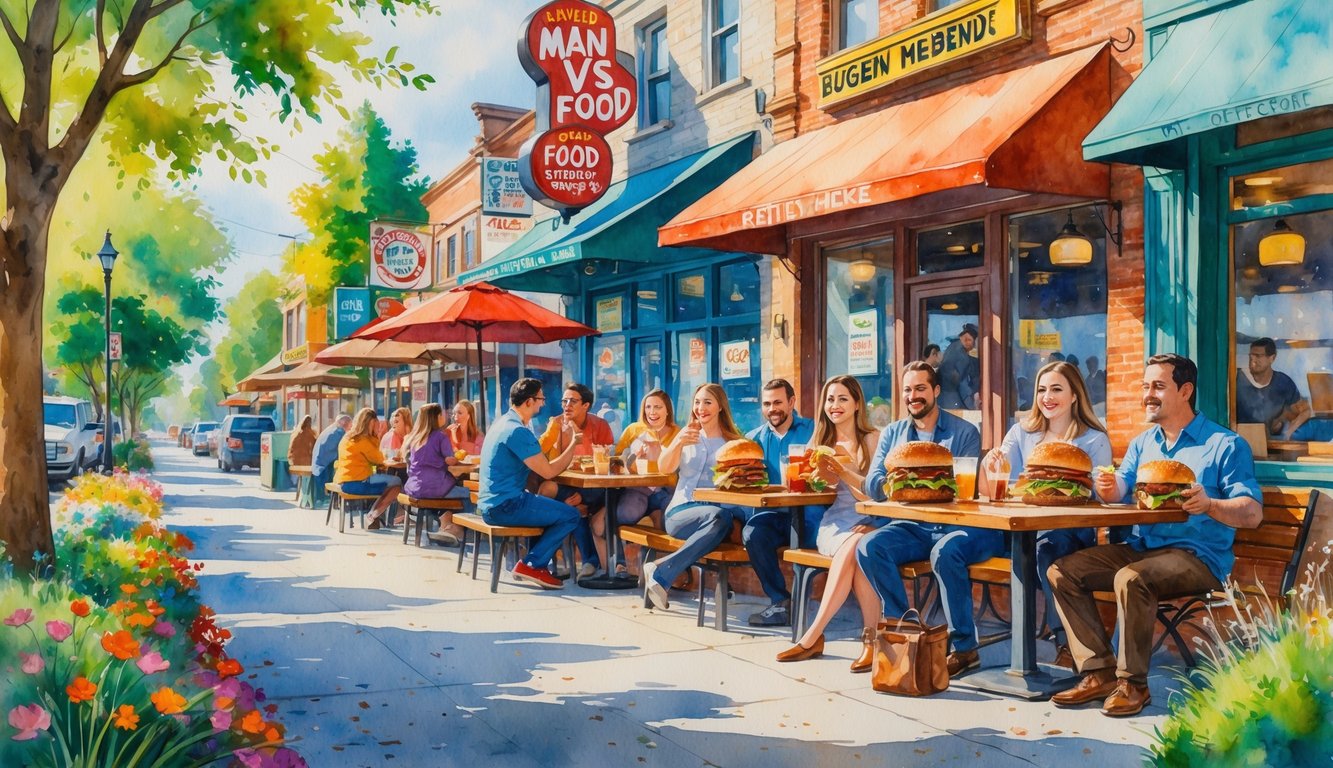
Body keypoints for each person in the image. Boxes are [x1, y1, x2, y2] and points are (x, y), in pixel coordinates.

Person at [1049, 354, 1261, 717]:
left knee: (1132, 579)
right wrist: (1108, 485)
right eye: (1145, 386)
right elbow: (1119, 491)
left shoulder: (1225, 444)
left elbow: (1253, 513)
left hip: (1199, 558)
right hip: (1142, 548)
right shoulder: (1142, 443)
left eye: (1158, 386)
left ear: (1186, 390)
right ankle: (1097, 671)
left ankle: (1133, 684)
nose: (1148, 394)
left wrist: (1209, 504)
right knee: (1062, 571)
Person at [856, 361, 993, 678]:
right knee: (869, 546)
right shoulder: (892, 434)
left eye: (920, 388)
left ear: (936, 391)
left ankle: (964, 648)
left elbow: (966, 487)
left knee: (945, 552)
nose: (912, 396)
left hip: (959, 525)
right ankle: (907, 626)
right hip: (914, 526)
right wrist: (900, 482)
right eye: (907, 390)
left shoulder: (964, 432)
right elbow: (873, 481)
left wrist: (927, 478)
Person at [979, 361, 1112, 668]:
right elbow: (992, 489)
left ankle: (1064, 642)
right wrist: (991, 464)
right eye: (1041, 390)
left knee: (1045, 553)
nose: (1047, 397)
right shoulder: (1021, 432)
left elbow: (1097, 498)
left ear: (1075, 395)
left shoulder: (1094, 439)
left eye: (1056, 389)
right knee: (1021, 551)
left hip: (1070, 533)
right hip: (1019, 531)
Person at [775, 376, 882, 671]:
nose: (835, 406)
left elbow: (875, 495)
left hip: (871, 520)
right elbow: (814, 491)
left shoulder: (872, 439)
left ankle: (813, 636)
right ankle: (870, 642)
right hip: (836, 524)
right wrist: (801, 476)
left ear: (857, 403)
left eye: (843, 399)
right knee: (856, 548)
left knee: (861, 548)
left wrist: (845, 469)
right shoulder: (820, 441)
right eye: (830, 399)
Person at [642, 383, 748, 611]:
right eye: (697, 402)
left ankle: (661, 570)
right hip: (680, 513)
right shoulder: (687, 436)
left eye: (708, 402)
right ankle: (664, 572)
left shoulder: (732, 443)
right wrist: (678, 442)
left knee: (721, 518)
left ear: (721, 407)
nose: (701, 408)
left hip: (718, 517)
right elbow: (665, 468)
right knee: (720, 518)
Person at [478, 378, 584, 589]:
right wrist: (573, 443)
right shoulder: (517, 431)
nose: (543, 404)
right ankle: (532, 565)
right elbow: (549, 470)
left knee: (552, 507)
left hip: (492, 503)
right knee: (571, 515)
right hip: (506, 505)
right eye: (540, 399)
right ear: (528, 401)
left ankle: (535, 565)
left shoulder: (502, 423)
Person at [743, 378, 816, 627]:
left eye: (777, 402)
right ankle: (780, 601)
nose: (772, 408)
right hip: (774, 515)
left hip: (810, 513)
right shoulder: (752, 440)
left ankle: (808, 603)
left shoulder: (813, 430)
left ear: (792, 402)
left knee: (810, 543)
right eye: (766, 404)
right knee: (752, 533)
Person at [592, 389, 680, 572]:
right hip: (638, 489)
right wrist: (633, 456)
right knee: (625, 514)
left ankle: (669, 571)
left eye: (658, 407)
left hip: (667, 489)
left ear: (667, 410)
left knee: (670, 522)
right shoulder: (633, 429)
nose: (652, 412)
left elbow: (682, 466)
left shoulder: (677, 433)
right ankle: (620, 564)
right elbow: (617, 463)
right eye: (648, 407)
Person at [539, 383, 616, 577]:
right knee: (548, 491)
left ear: (586, 405)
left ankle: (590, 561)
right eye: (564, 401)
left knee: (578, 507)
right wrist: (552, 430)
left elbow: (604, 460)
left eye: (573, 401)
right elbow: (538, 452)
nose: (567, 405)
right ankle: (550, 559)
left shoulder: (600, 426)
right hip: (568, 487)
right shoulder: (556, 424)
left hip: (595, 489)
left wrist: (577, 435)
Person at [402, 403, 466, 545]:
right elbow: (450, 460)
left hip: (414, 487)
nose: (444, 416)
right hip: (434, 486)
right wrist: (455, 458)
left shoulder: (414, 438)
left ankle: (445, 526)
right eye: (442, 414)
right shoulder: (440, 437)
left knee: (450, 494)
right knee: (468, 495)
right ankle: (457, 530)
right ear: (436, 417)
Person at [334, 408, 403, 530]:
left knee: (389, 483)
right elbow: (378, 459)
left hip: (345, 481)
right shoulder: (363, 439)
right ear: (371, 423)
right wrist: (376, 436)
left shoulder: (348, 437)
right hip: (359, 481)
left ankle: (376, 516)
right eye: (376, 424)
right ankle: (373, 516)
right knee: (397, 483)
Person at [1235, 337, 1311, 439]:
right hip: (1241, 441)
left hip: (1272, 444)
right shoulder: (1237, 379)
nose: (1253, 361)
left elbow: (1305, 411)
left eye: (1258, 356)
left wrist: (1288, 433)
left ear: (1272, 358)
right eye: (1251, 356)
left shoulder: (1283, 382)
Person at [937, 323, 980, 410]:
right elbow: (960, 381)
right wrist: (972, 404)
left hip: (943, 396)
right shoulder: (961, 355)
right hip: (951, 398)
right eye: (967, 339)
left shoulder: (953, 347)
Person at [311, 414, 351, 505]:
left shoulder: (331, 429)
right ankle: (338, 498)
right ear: (344, 423)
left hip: (318, 465)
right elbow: (342, 451)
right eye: (350, 425)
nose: (351, 428)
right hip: (322, 468)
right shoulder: (338, 432)